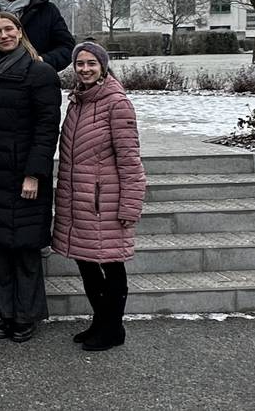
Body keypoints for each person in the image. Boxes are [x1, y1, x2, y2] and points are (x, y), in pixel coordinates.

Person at [52, 42, 146, 351]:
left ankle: (113, 328)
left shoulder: (117, 103)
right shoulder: (78, 102)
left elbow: (130, 159)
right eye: (80, 64)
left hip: (104, 202)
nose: (85, 69)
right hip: (79, 200)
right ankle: (101, 321)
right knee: (87, 263)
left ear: (103, 67)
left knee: (112, 266)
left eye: (92, 63)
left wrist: (130, 205)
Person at [0, 12, 61, 343]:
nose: (4, 35)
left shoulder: (39, 73)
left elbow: (46, 128)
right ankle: (6, 313)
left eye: (9, 29)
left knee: (24, 250)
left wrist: (34, 174)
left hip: (23, 176)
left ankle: (25, 315)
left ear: (20, 32)